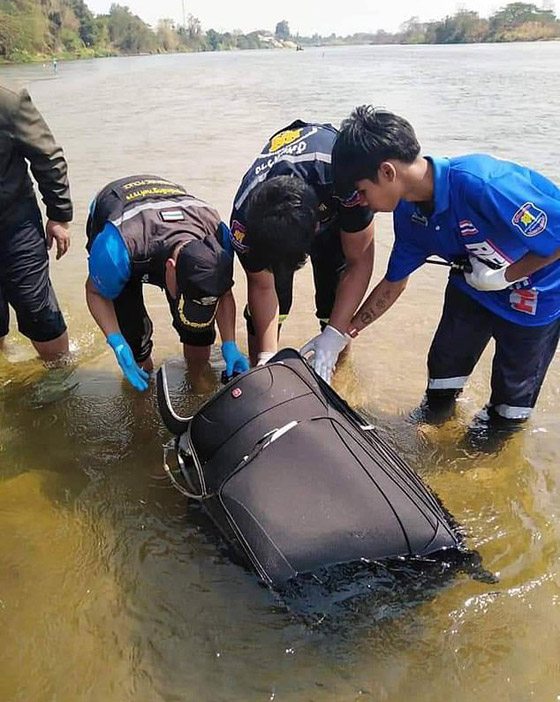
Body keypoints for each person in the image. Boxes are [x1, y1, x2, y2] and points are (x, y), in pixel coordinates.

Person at [333, 105, 560, 435]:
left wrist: (505, 277)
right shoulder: (409, 215)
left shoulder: (483, 184)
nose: (362, 202)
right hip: (472, 285)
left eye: (362, 192)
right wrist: (340, 335)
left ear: (387, 172)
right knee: (442, 376)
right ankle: (437, 430)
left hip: (533, 293)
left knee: (508, 408)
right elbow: (393, 284)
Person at [230, 119, 374, 383]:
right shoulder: (243, 222)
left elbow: (359, 262)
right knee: (278, 298)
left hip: (328, 193)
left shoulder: (347, 180)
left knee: (334, 300)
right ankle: (261, 375)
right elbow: (262, 286)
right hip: (276, 215)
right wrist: (265, 357)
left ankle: (334, 377)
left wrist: (333, 335)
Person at [85, 175, 249, 391]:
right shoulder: (116, 250)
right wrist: (116, 341)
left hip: (170, 215)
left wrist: (230, 342)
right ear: (170, 269)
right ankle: (143, 389)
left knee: (198, 330)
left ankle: (197, 379)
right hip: (124, 224)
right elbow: (95, 292)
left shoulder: (217, 241)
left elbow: (224, 294)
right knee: (134, 339)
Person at [0, 83, 72, 362]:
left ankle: (61, 375)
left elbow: (47, 157)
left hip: (15, 225)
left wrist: (59, 216)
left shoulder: (9, 101)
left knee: (36, 310)